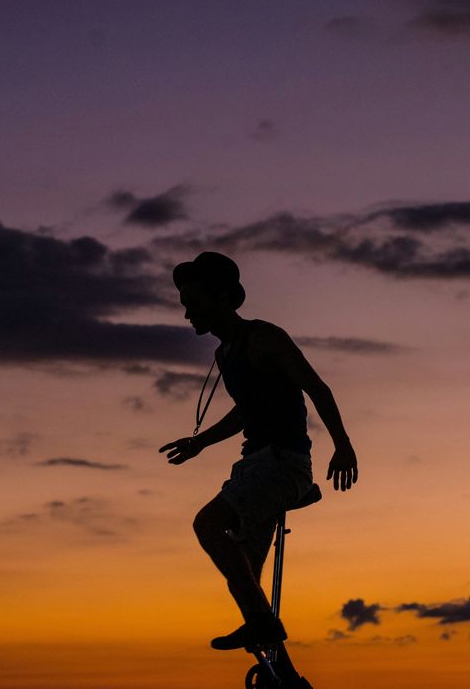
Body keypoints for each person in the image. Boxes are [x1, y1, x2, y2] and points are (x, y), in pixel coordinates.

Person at [160, 251, 359, 661]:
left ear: (224, 298)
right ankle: (275, 657)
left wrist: (343, 444)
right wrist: (201, 442)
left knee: (209, 524)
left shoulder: (265, 338)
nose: (188, 315)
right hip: (255, 465)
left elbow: (316, 388)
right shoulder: (225, 355)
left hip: (283, 464)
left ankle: (263, 623)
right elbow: (246, 410)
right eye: (185, 306)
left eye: (194, 303)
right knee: (247, 574)